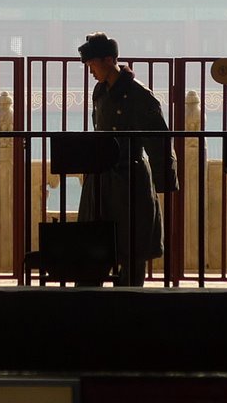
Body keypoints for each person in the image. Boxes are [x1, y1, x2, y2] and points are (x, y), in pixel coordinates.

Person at [76, 32, 178, 286]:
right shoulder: (100, 92)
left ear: (109, 60)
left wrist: (164, 177)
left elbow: (159, 140)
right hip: (102, 178)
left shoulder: (138, 94)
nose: (91, 72)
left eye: (93, 65)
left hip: (130, 178)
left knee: (132, 247)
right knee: (96, 244)